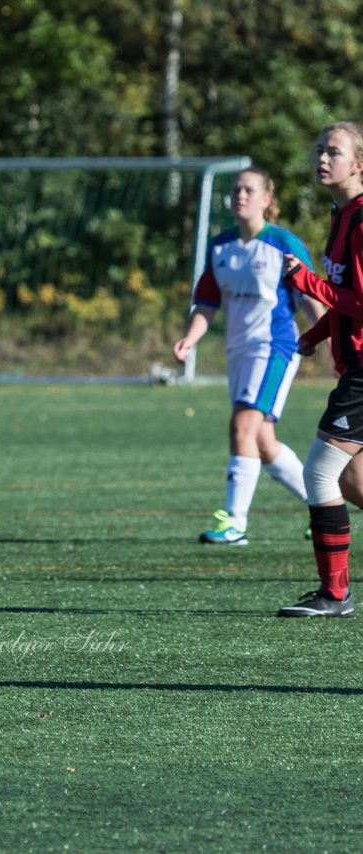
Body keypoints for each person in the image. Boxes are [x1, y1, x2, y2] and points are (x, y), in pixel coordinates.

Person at [172, 167, 321, 546]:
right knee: (262, 440)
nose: (241, 195)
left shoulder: (284, 244)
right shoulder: (221, 246)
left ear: (267, 199)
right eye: (236, 189)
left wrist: (330, 343)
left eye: (249, 190)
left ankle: (234, 523)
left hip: (275, 348)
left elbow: (311, 298)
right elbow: (206, 303)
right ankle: (321, 508)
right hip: (238, 352)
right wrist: (189, 340)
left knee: (241, 427)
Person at [278, 120, 363, 617]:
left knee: (319, 473)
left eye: (334, 151)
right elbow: (348, 301)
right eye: (319, 150)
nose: (322, 158)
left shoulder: (361, 220)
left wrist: (308, 282)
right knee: (353, 482)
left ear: (359, 165)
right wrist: (313, 336)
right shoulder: (342, 216)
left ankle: (335, 594)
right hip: (354, 364)